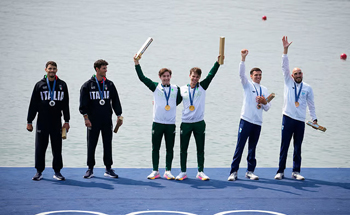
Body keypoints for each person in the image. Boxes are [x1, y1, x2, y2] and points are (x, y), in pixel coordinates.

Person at [274, 36, 318, 180]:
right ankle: (280, 171)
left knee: (297, 147)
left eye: (300, 73)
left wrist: (314, 118)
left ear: (302, 75)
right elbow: (284, 66)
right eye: (296, 73)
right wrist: (285, 50)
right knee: (284, 146)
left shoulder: (307, 88)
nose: (298, 75)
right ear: (292, 76)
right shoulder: (288, 81)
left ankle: (296, 172)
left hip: (300, 120)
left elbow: (311, 104)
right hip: (287, 118)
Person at [133, 54, 182, 180]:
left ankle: (168, 171)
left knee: (170, 148)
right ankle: (155, 170)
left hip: (170, 123)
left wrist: (169, 105)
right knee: (155, 147)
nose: (166, 78)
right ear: (160, 77)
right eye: (164, 76)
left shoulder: (176, 88)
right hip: (158, 122)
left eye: (168, 76)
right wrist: (136, 64)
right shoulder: (155, 87)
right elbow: (142, 78)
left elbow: (179, 100)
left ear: (170, 77)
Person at [176, 55, 222, 181]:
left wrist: (217, 63)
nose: (195, 78)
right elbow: (173, 102)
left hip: (199, 123)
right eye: (193, 76)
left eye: (197, 77)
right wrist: (159, 102)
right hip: (185, 123)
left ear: (199, 78)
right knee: (183, 149)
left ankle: (200, 171)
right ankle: (183, 172)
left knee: (200, 148)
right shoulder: (182, 89)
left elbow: (211, 75)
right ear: (189, 75)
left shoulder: (202, 86)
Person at [228, 49, 271, 181]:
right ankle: (233, 172)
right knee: (240, 146)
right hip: (246, 120)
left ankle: (250, 171)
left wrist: (264, 102)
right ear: (251, 76)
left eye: (260, 75)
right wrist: (243, 58)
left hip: (257, 122)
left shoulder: (264, 89)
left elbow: (268, 108)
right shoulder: (247, 85)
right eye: (256, 75)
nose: (258, 77)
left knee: (252, 148)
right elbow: (241, 74)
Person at [27, 61, 70, 181]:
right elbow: (33, 104)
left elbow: (65, 104)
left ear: (57, 70)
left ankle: (57, 172)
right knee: (40, 148)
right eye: (50, 68)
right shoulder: (39, 85)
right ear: (45, 69)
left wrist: (66, 120)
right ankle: (39, 172)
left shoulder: (62, 85)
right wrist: (29, 121)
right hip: (42, 121)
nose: (52, 70)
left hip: (56, 121)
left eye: (54, 68)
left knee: (57, 148)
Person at [79, 59, 123, 179]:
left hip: (106, 120)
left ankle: (108, 168)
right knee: (91, 144)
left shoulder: (109, 84)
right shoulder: (87, 86)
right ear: (97, 69)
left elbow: (116, 101)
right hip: (92, 121)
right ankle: (90, 169)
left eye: (106, 68)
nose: (106, 70)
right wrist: (86, 118)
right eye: (104, 68)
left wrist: (119, 115)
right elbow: (83, 105)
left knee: (107, 144)